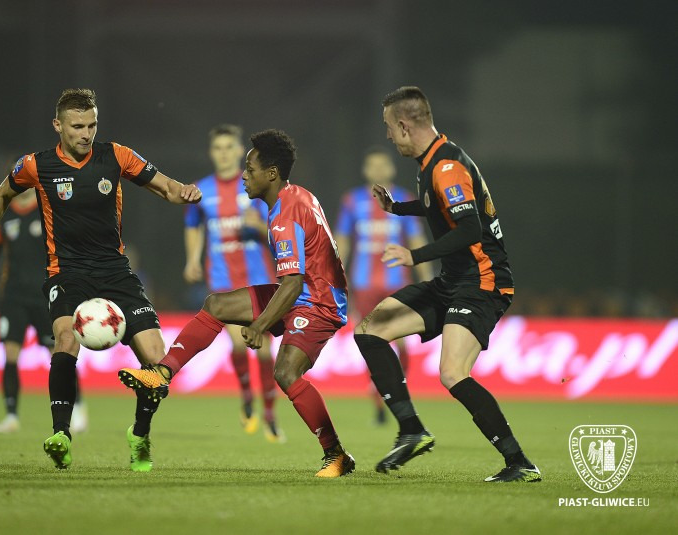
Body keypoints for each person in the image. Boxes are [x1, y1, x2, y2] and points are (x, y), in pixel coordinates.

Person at [0, 88, 201, 471]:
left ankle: (140, 433)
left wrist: (185, 192)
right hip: (67, 272)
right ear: (58, 125)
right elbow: (2, 195)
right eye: (77, 126)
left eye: (91, 125)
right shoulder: (37, 165)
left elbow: (166, 188)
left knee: (157, 361)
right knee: (64, 338)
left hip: (115, 272)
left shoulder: (116, 156)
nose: (86, 133)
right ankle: (61, 434)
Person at [118, 130, 355, 477]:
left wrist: (260, 325)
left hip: (318, 302)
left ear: (271, 174)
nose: (244, 176)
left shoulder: (285, 215)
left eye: (250, 169)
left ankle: (336, 454)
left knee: (286, 372)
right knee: (216, 305)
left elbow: (292, 283)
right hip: (304, 292)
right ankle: (161, 374)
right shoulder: (295, 196)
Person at [354, 86, 540, 483]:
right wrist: (397, 208)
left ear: (404, 126)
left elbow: (470, 228)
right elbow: (437, 205)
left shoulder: (446, 167)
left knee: (453, 373)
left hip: (482, 281)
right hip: (453, 281)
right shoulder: (432, 162)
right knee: (370, 329)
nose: (388, 135)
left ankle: (519, 462)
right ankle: (411, 431)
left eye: (389, 126)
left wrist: (415, 256)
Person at [0, 188, 87, 434]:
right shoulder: (5, 216)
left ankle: (77, 409)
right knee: (10, 354)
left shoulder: (47, 210)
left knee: (61, 354)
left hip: (45, 296)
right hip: (13, 297)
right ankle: (11, 416)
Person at [183, 124, 284, 442]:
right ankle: (246, 394)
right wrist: (192, 259)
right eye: (218, 148)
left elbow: (279, 227)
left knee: (264, 349)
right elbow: (193, 225)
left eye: (229, 147)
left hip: (258, 278)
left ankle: (270, 413)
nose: (224, 153)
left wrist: (260, 226)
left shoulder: (255, 186)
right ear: (211, 153)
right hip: (223, 279)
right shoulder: (201, 190)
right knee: (239, 343)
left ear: (241, 151)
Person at [334, 146, 433, 424]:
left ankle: (397, 389)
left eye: (382, 165)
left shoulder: (404, 200)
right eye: (372, 165)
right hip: (363, 284)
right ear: (365, 170)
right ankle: (380, 397)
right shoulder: (352, 201)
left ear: (391, 169)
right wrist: (337, 275)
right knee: (371, 340)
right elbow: (343, 240)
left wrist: (427, 278)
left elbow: (416, 240)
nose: (378, 170)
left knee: (401, 342)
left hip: (396, 281)